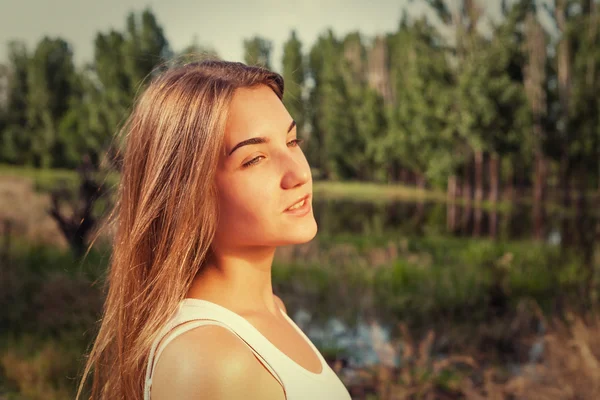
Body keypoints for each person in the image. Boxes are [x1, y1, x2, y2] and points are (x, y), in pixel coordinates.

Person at [76, 60, 352, 400]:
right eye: (254, 159)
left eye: (292, 142)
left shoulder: (268, 313)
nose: (298, 174)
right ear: (187, 192)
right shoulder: (214, 358)